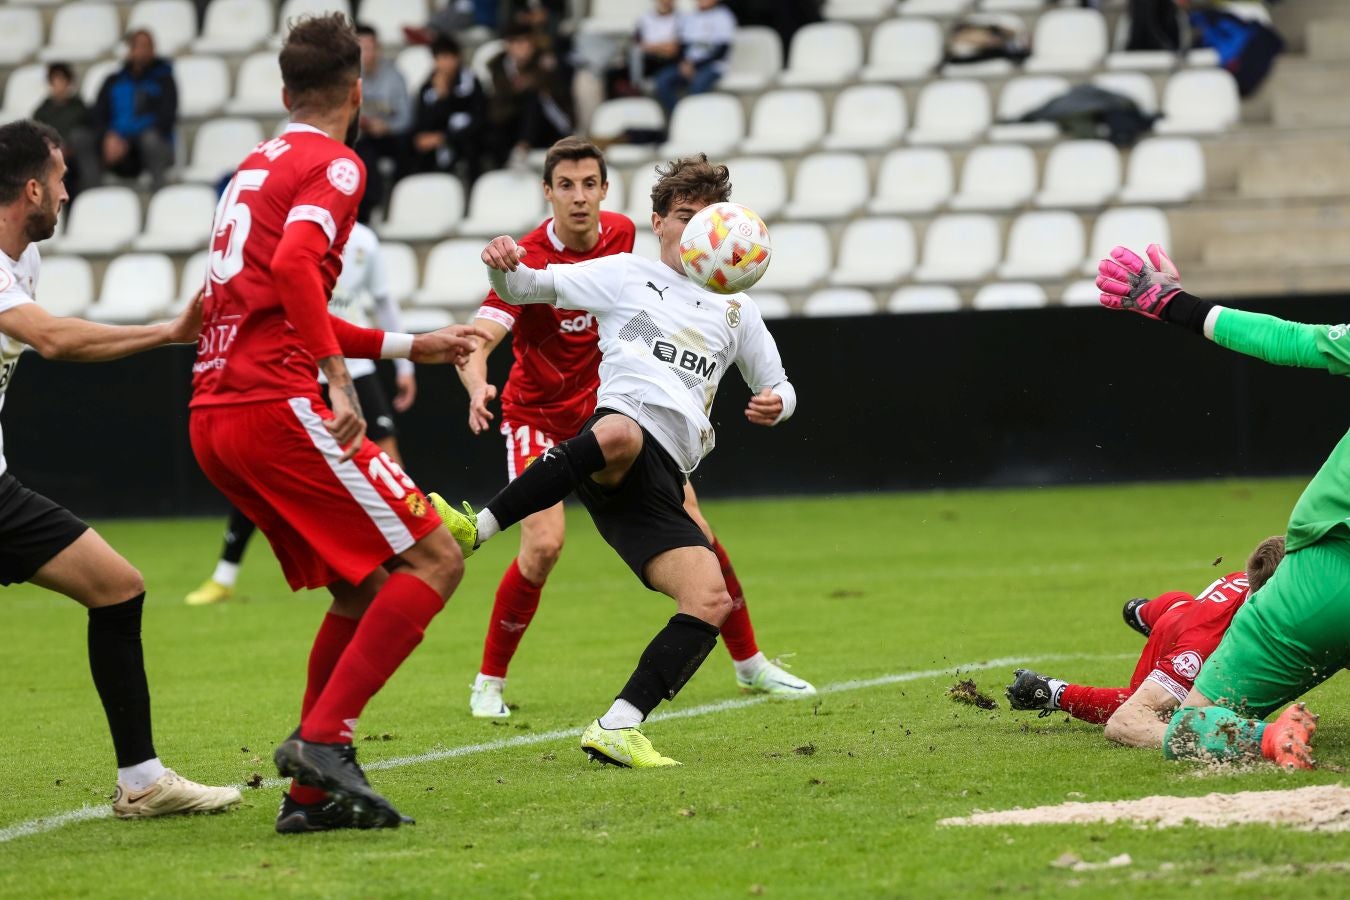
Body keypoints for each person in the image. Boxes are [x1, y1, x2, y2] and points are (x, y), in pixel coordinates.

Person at [188, 14, 488, 832]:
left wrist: (407, 344)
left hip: (215, 412)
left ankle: (310, 798)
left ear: (285, 91)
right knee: (437, 557)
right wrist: (338, 382)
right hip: (276, 405)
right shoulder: (337, 162)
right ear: (357, 92)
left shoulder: (252, 169)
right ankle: (324, 740)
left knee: (364, 586)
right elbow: (294, 269)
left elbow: (277, 302)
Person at [432, 154, 800, 768]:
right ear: (658, 223)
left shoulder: (738, 309)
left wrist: (776, 404)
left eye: (710, 220)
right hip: (615, 442)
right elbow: (526, 288)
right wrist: (501, 266)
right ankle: (477, 528)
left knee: (709, 596)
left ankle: (619, 726)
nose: (699, 234)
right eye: (685, 217)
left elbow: (780, 384)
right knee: (622, 434)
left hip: (665, 477)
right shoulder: (626, 274)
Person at [0, 119, 239, 818]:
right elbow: (51, 338)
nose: (68, 193)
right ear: (32, 188)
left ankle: (141, 780)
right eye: (61, 179)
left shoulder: (24, 262)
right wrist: (169, 332)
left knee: (117, 587)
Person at [1094, 242, 1335, 770]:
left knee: (1153, 719)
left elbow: (1290, 340)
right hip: (1318, 576)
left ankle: (1266, 741)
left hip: (1320, 582)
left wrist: (1168, 302)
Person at [184, 221, 418, 607]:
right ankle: (225, 575)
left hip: (354, 367)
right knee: (264, 472)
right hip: (297, 369)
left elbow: (382, 300)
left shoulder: (364, 240)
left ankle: (403, 552)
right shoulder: (289, 234)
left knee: (389, 462)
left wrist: (406, 366)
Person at [1006, 534, 1285, 749]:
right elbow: (1128, 720)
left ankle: (1140, 611)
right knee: (1151, 707)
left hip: (1183, 612)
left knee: (1178, 603)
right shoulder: (1201, 650)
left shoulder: (1252, 578)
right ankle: (1049, 691)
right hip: (1179, 638)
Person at [91, 30, 177, 190]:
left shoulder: (164, 80)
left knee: (150, 139)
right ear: (130, 50)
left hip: (149, 147)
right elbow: (98, 115)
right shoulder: (113, 81)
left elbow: (165, 119)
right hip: (116, 149)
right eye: (139, 46)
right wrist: (108, 137)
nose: (143, 51)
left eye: (147, 46)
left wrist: (126, 140)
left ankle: (160, 194)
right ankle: (90, 196)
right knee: (83, 139)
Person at [487, 21, 574, 168]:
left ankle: (522, 148)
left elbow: (558, 99)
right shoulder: (498, 68)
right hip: (513, 123)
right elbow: (499, 106)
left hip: (548, 123)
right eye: (519, 43)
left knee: (532, 98)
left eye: (528, 42)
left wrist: (534, 81)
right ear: (508, 45)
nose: (524, 48)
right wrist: (516, 91)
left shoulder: (546, 64)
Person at [352, 22, 412, 222]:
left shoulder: (394, 76)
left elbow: (407, 117)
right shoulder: (347, 79)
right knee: (360, 151)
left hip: (392, 137)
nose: (367, 54)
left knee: (407, 145)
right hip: (362, 139)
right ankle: (368, 210)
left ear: (378, 48)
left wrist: (388, 127)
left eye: (371, 48)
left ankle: (400, 205)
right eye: (362, 49)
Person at [409, 34, 488, 184]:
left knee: (471, 145)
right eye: (441, 58)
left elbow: (479, 120)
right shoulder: (427, 88)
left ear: (458, 58)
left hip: (464, 139)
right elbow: (423, 123)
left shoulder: (471, 83)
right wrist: (440, 98)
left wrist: (444, 137)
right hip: (435, 141)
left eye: (449, 57)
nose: (446, 64)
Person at [653, 0, 737, 115]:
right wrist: (684, 63)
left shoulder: (724, 17)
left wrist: (695, 66)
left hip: (712, 66)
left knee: (697, 85)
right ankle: (679, 117)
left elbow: (721, 51)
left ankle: (693, 119)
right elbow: (683, 46)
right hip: (687, 65)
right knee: (663, 80)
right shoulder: (690, 17)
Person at [31, 62, 95, 197]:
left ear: (69, 83)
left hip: (76, 158)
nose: (59, 85)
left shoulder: (79, 107)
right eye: (55, 81)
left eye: (62, 80)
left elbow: (88, 133)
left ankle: (90, 192)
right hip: (51, 158)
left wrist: (69, 148)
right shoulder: (42, 111)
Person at [631, 0, 680, 85]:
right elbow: (638, 44)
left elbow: (673, 49)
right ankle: (635, 85)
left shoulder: (679, 19)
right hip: (647, 60)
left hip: (669, 62)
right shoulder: (644, 18)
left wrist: (650, 46)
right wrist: (663, 47)